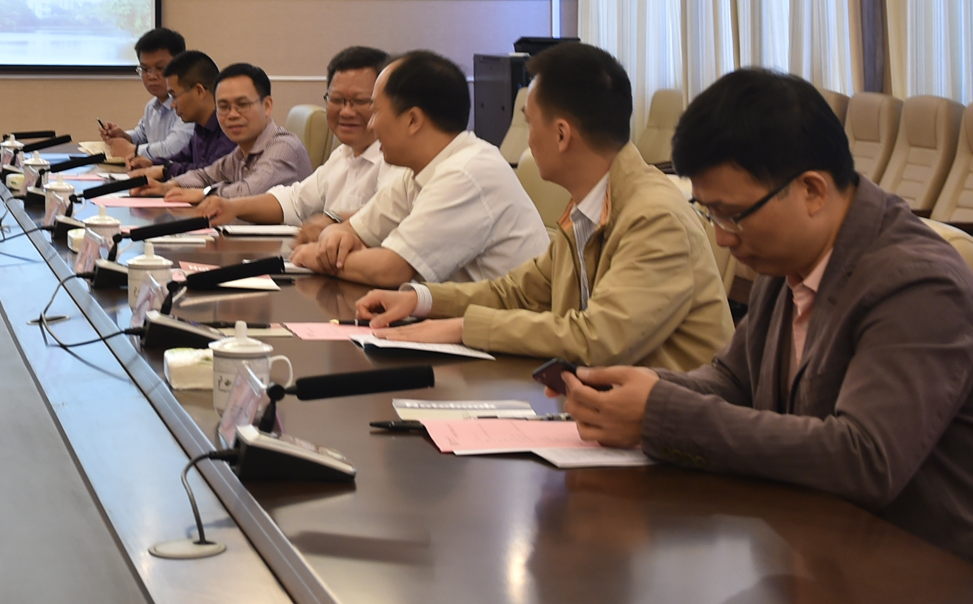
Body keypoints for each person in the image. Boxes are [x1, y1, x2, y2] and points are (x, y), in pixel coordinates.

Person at [560, 69, 973, 594]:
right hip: (828, 565)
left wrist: (662, 414)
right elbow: (733, 381)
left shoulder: (918, 285)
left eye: (733, 216)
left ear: (812, 190)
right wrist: (635, 390)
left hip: (953, 593)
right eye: (712, 215)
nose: (723, 239)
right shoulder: (788, 263)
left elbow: (864, 457)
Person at [353, 41, 733, 368]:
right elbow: (517, 293)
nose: (527, 139)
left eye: (530, 123)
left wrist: (463, 328)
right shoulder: (588, 207)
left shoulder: (654, 216)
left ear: (562, 135)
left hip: (665, 423)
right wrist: (419, 299)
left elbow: (598, 337)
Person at [290, 51, 546, 285]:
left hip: (498, 320)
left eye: (376, 111)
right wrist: (335, 236)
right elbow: (352, 229)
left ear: (413, 120)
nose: (371, 125)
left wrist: (316, 257)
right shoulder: (417, 172)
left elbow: (390, 269)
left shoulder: (466, 173)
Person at [193, 45, 389, 231]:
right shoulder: (342, 155)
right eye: (337, 100)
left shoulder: (396, 163)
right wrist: (233, 207)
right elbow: (295, 200)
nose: (346, 112)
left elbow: (386, 221)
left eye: (360, 101)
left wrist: (332, 222)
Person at [150, 64, 309, 200]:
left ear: (267, 106)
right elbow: (206, 175)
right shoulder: (241, 152)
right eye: (224, 107)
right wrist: (168, 187)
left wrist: (204, 194)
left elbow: (248, 193)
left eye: (242, 104)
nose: (232, 114)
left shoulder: (283, 147)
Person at [126, 49, 228, 180]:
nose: (173, 105)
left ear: (199, 91)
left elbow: (212, 172)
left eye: (174, 96)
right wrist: (152, 163)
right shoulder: (201, 127)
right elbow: (183, 157)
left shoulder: (228, 127)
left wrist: (165, 170)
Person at [97, 28, 193, 163]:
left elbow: (172, 149)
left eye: (160, 68)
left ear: (180, 66)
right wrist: (124, 136)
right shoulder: (152, 106)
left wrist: (132, 150)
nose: (151, 76)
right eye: (145, 69)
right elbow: (142, 135)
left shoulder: (188, 105)